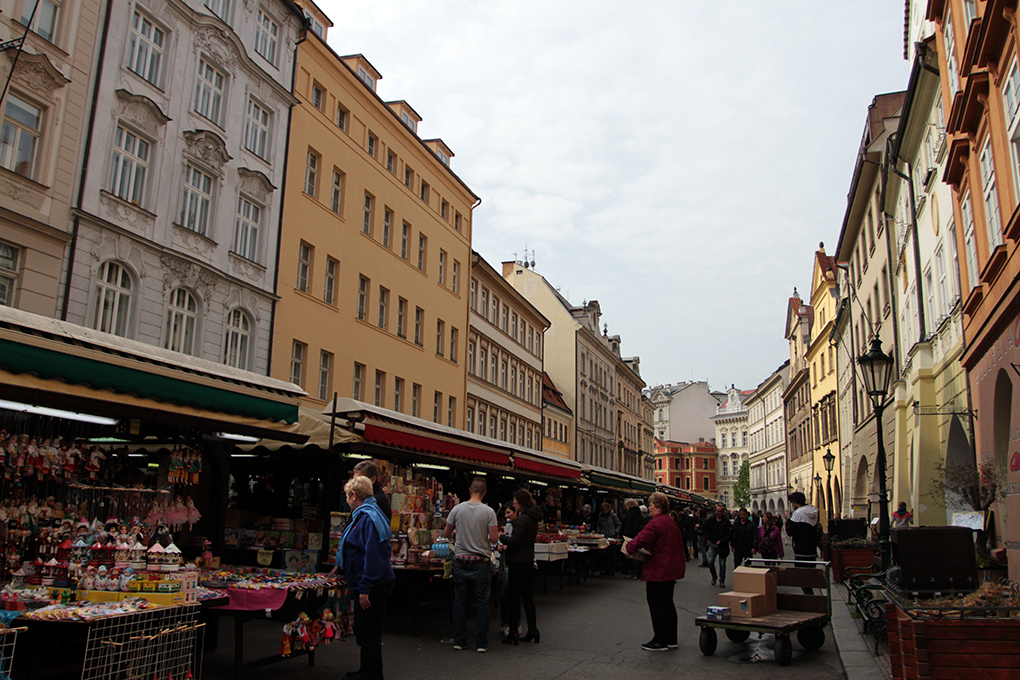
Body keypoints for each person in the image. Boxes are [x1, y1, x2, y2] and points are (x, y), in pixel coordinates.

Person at [329, 475, 394, 680]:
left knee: (369, 633)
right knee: (365, 632)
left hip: (373, 585)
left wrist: (365, 588)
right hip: (371, 582)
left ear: (354, 495)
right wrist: (340, 565)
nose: (347, 501)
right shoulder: (368, 514)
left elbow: (373, 556)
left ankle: (371, 674)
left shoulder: (368, 518)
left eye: (347, 497)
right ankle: (366, 671)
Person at [443, 477, 499, 652]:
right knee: (482, 602)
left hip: (460, 561)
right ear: (485, 492)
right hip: (481, 562)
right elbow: (494, 538)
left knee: (460, 601)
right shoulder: (489, 512)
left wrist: (457, 535)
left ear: (470, 490)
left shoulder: (457, 509)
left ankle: (460, 640)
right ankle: (481, 642)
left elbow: (446, 533)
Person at [626, 492, 685, 652]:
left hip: (660, 569)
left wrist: (629, 547)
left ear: (658, 507)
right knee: (667, 603)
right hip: (671, 568)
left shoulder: (656, 523)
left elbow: (641, 538)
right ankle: (671, 638)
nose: (649, 508)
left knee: (657, 604)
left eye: (651, 505)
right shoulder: (670, 522)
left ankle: (660, 640)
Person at [498, 489, 542, 645]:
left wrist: (501, 537)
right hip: (528, 560)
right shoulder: (533, 518)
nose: (514, 505)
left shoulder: (523, 520)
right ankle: (532, 629)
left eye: (515, 502)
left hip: (517, 561)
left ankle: (513, 633)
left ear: (521, 502)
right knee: (527, 597)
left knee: (514, 598)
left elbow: (515, 541)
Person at [785, 491, 819, 594]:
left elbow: (790, 531)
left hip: (801, 551)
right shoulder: (811, 511)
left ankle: (810, 598)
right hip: (811, 550)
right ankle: (810, 597)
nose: (792, 505)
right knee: (808, 579)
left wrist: (788, 519)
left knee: (801, 578)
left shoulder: (798, 513)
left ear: (795, 502)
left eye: (792, 502)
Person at [703, 504, 732, 587]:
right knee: (710, 561)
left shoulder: (726, 521)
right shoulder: (711, 519)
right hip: (712, 543)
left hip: (722, 545)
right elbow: (705, 528)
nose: (718, 513)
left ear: (723, 512)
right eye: (717, 511)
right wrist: (707, 539)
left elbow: (729, 534)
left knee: (722, 563)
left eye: (720, 511)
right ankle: (714, 576)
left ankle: (722, 580)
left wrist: (722, 541)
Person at [621, 500, 643, 579]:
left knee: (633, 554)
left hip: (631, 535)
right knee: (639, 554)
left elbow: (628, 526)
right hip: (639, 534)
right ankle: (639, 573)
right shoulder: (639, 512)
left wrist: (626, 535)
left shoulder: (630, 513)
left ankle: (634, 573)